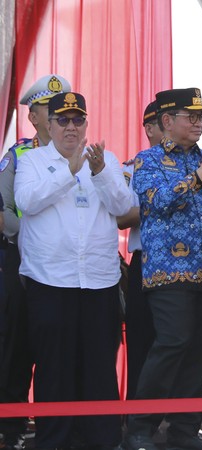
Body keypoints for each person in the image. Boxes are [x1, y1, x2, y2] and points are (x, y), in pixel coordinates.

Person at [125, 88, 202, 450]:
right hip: (169, 272)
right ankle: (140, 427)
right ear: (166, 121)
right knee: (172, 342)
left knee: (199, 352)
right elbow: (159, 202)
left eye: (201, 117)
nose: (198, 123)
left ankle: (184, 429)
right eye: (190, 116)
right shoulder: (148, 160)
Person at [16, 91, 131, 449]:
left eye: (77, 119)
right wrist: (69, 171)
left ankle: (102, 439)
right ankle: (54, 440)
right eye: (63, 120)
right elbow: (26, 201)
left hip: (98, 281)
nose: (70, 127)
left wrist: (99, 173)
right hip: (50, 281)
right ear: (49, 125)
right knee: (54, 366)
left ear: (86, 123)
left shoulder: (105, 160)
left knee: (99, 364)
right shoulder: (32, 161)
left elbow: (123, 206)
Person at [0, 74, 70, 449]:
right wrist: (32, 235)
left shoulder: (80, 155)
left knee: (60, 346)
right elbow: (4, 212)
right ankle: (10, 426)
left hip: (65, 264)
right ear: (33, 117)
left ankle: (58, 426)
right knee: (18, 343)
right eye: (49, 108)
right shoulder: (18, 156)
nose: (60, 115)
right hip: (23, 258)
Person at [119, 100, 162, 400]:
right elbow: (122, 217)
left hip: (187, 264)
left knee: (183, 343)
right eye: (165, 121)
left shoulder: (197, 166)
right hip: (146, 262)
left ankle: (181, 417)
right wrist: (166, 202)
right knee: (141, 340)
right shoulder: (131, 168)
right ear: (149, 128)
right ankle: (138, 416)